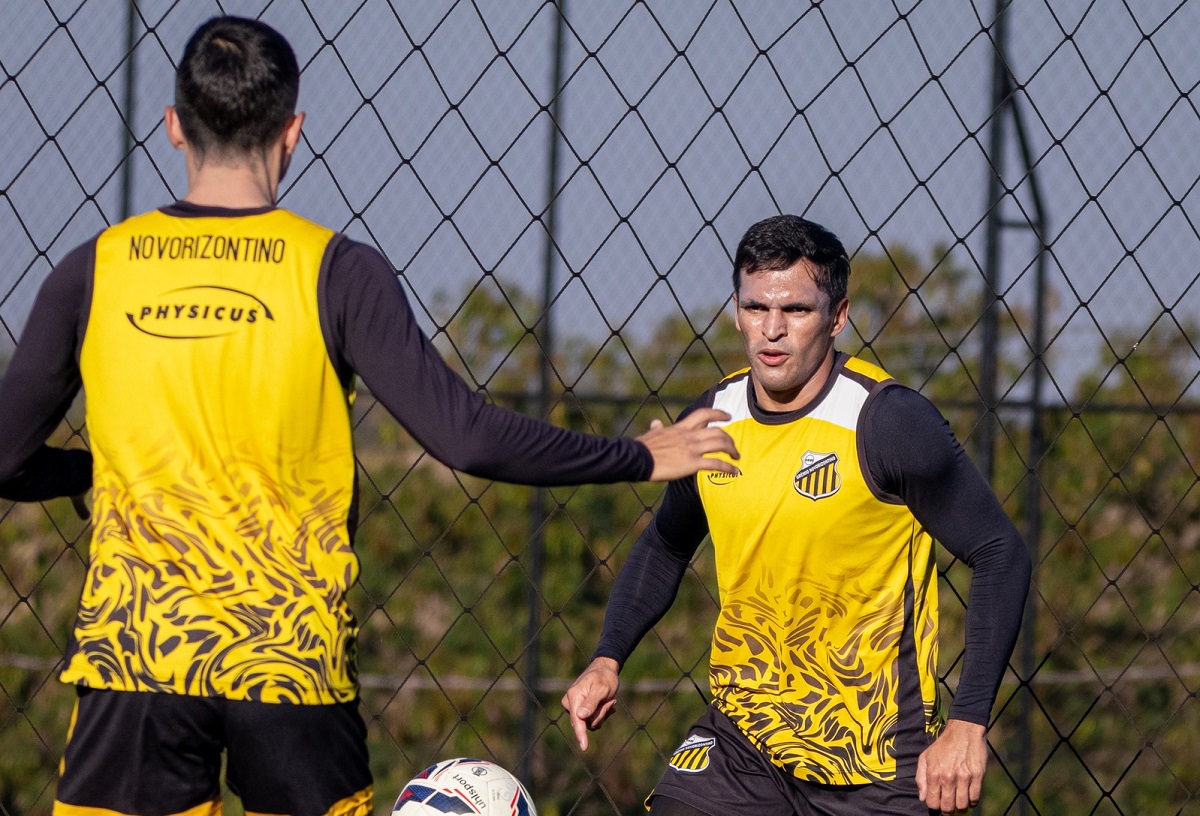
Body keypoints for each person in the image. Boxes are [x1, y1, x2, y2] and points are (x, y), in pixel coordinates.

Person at [0, 16, 740, 816]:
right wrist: (639, 454)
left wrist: (87, 471)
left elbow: (5, 459)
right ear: (293, 132)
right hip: (284, 660)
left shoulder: (95, 269)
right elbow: (466, 435)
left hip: (134, 659)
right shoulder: (337, 271)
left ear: (174, 125)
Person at [562, 214, 1032, 816]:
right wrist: (608, 657)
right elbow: (666, 543)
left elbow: (1000, 553)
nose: (772, 331)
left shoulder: (886, 422)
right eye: (757, 308)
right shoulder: (712, 419)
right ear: (736, 309)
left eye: (797, 311)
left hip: (876, 765)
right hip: (742, 744)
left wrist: (968, 725)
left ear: (837, 317)